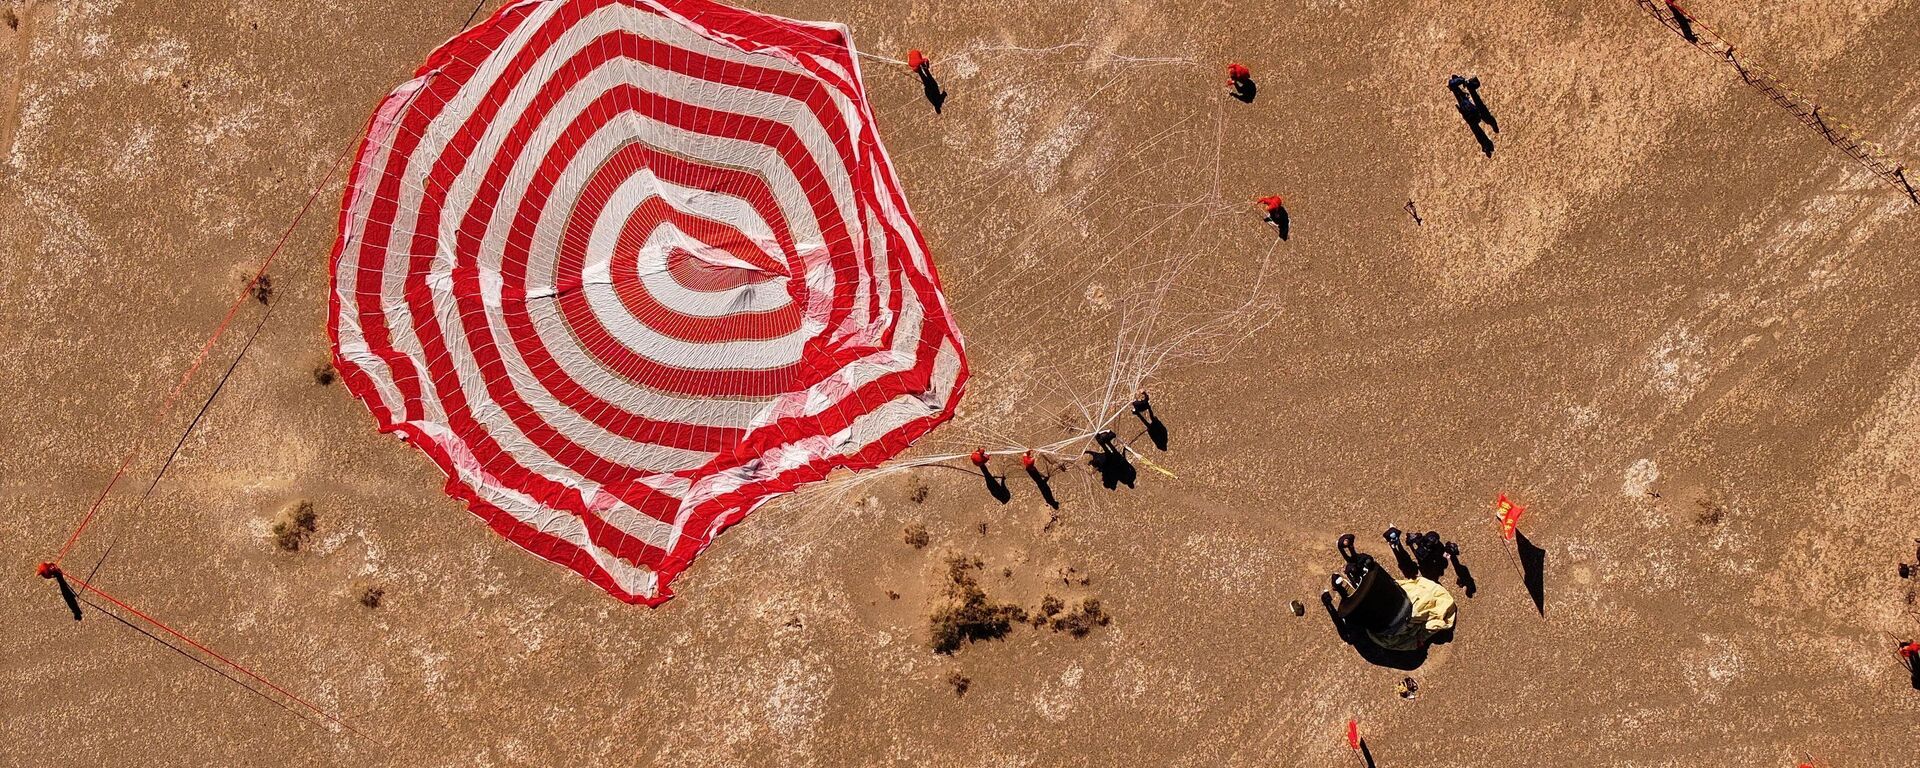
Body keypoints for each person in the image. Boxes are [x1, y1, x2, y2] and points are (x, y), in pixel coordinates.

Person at [907, 49, 947, 113]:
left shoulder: (939, 102)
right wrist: (926, 89)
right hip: (929, 87)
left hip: (933, 86)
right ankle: (920, 68)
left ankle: (923, 66)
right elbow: (928, 95)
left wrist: (944, 94)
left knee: (928, 75)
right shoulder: (935, 102)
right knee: (923, 77)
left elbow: (943, 95)